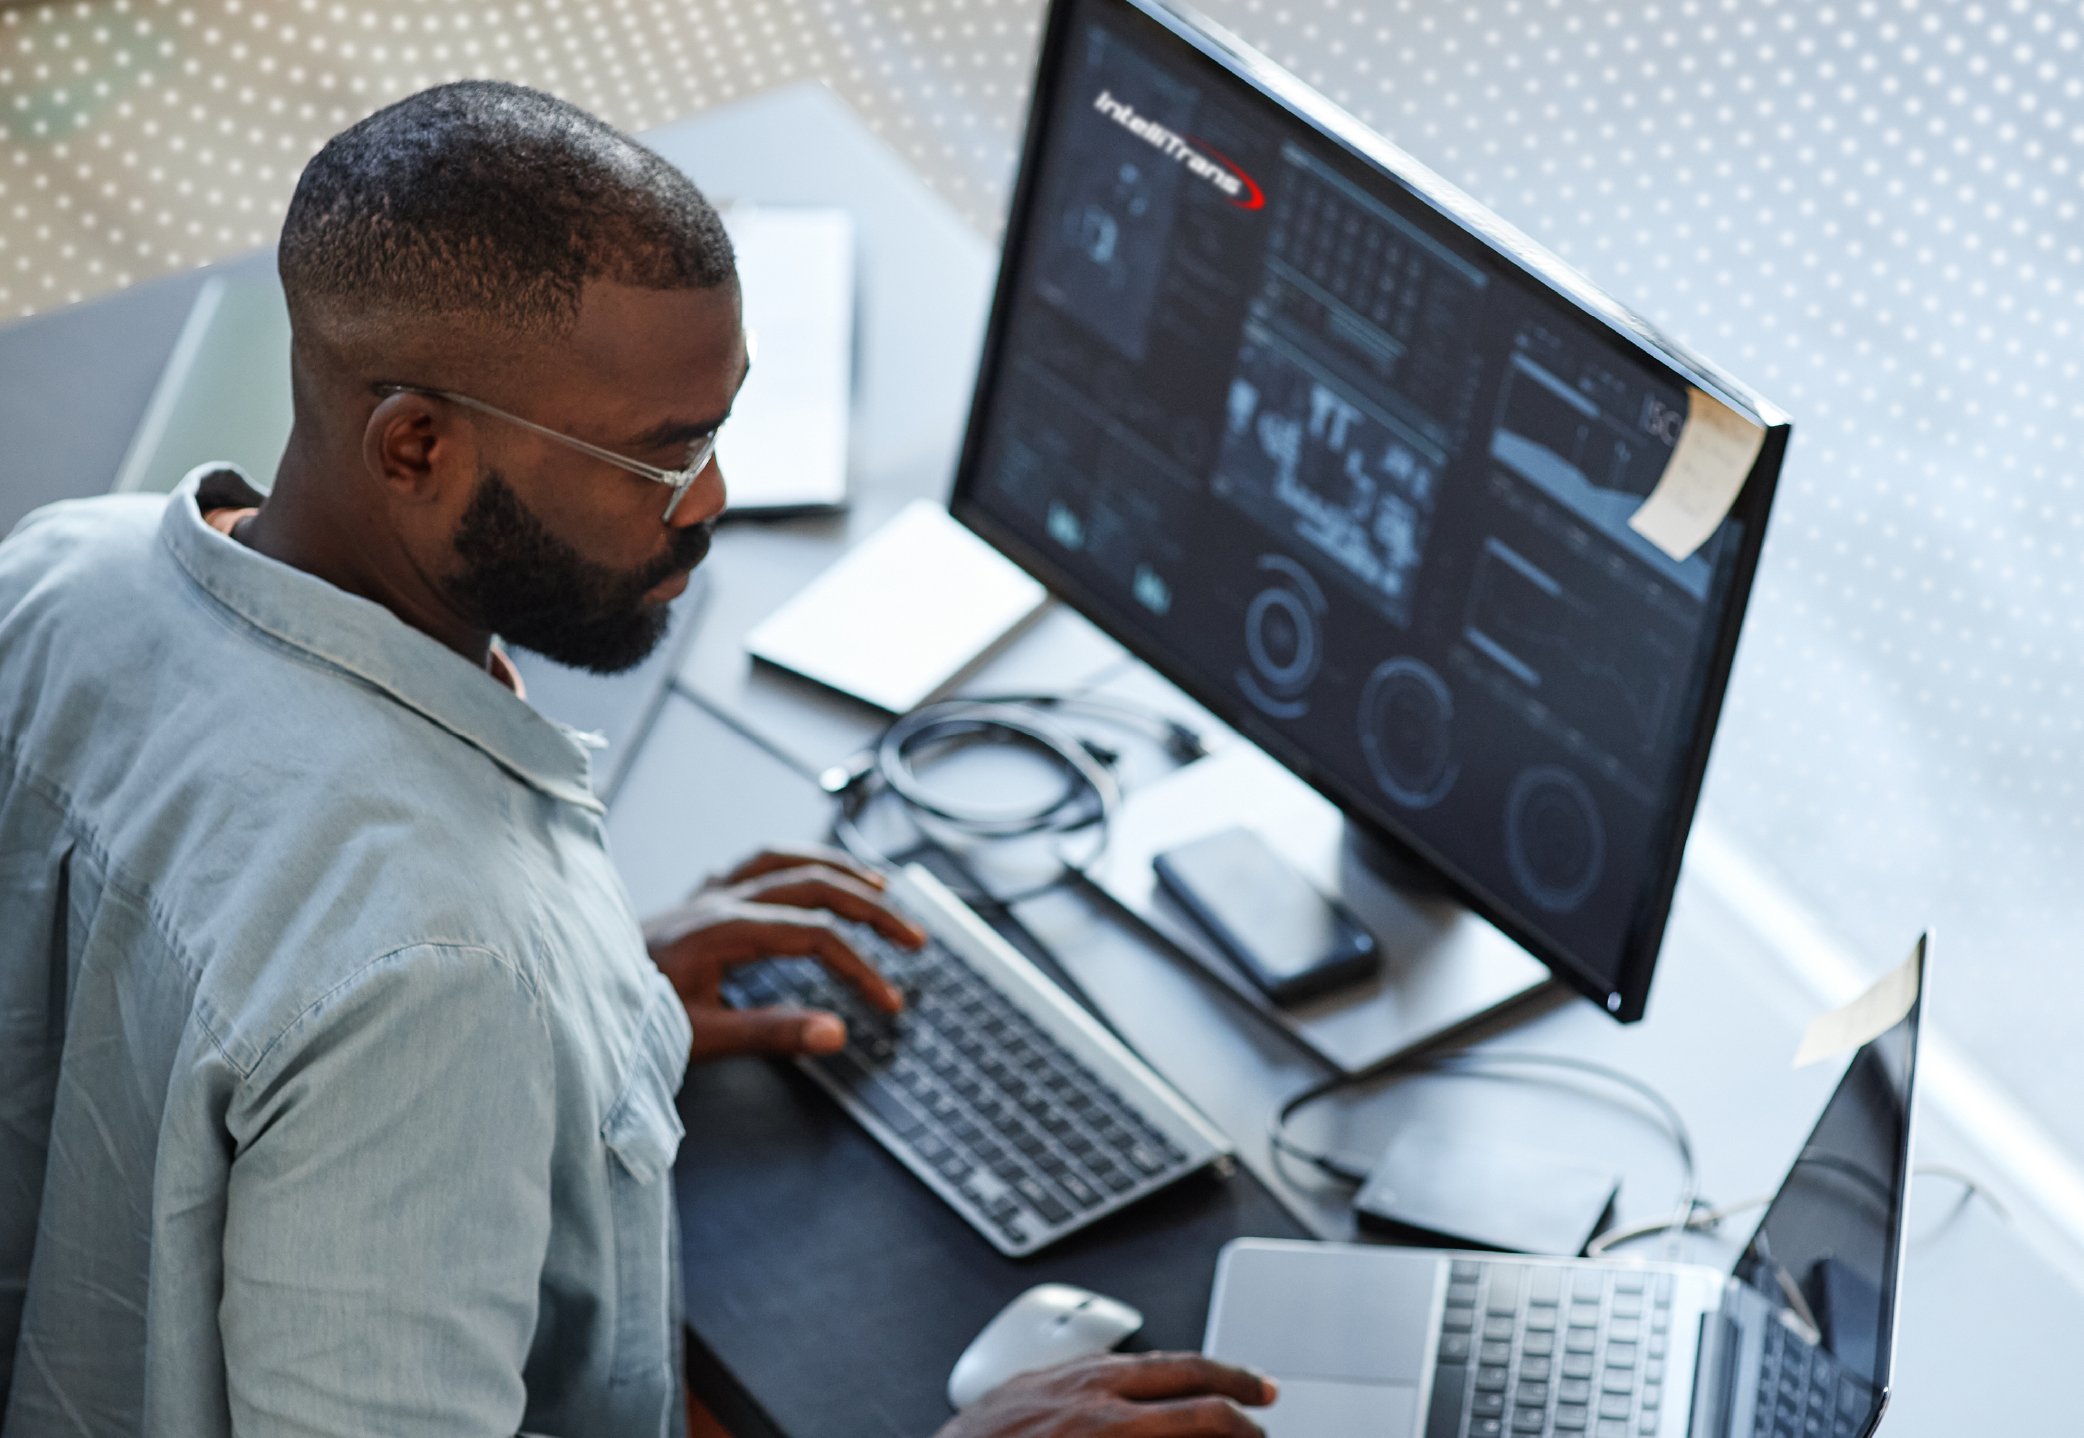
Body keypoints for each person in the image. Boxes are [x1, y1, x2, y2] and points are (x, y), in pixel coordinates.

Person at [0, 81, 1274, 1437]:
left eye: (720, 428)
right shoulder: (437, 975)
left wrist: (587, 1021)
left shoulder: (59, 568)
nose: (712, 500)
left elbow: (202, 980)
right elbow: (379, 978)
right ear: (417, 445)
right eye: (662, 458)